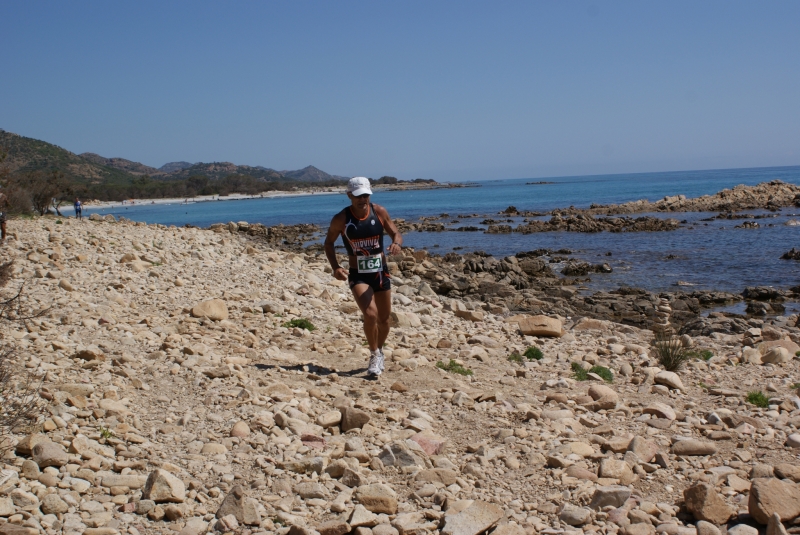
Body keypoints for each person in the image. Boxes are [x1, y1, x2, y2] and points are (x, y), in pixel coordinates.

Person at [324, 177, 403, 377]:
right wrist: (335, 267)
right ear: (349, 195)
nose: (363, 200)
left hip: (380, 271)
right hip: (358, 274)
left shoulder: (379, 211)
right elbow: (328, 243)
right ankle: (374, 353)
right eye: (358, 196)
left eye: (366, 195)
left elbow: (395, 232)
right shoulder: (341, 219)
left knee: (384, 320)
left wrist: (397, 243)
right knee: (370, 314)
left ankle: (380, 350)